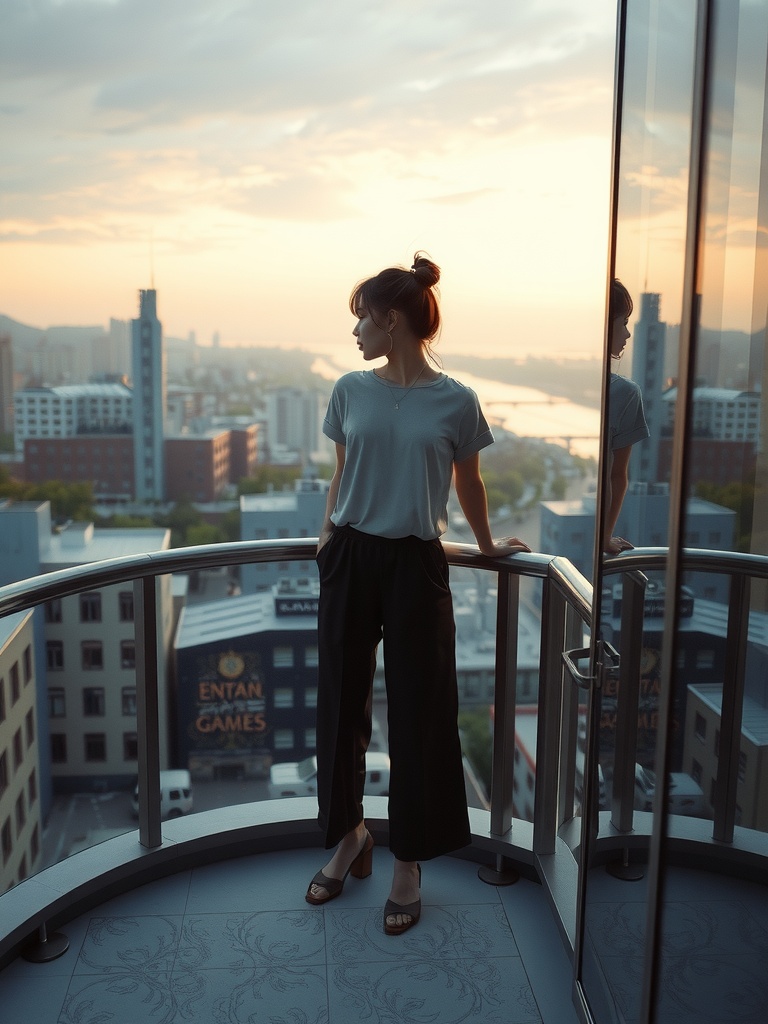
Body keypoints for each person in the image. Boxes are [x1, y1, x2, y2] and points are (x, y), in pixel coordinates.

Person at [306, 253, 530, 935]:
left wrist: (488, 545)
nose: (354, 334)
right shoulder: (349, 388)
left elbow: (469, 484)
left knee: (421, 712)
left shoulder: (457, 400)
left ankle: (408, 859)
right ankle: (350, 836)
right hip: (351, 556)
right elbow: (342, 474)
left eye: (361, 320)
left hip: (416, 564)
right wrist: (326, 537)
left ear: (392, 320)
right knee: (342, 703)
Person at [604, 279, 650, 554]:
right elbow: (617, 476)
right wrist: (605, 536)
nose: (628, 334)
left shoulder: (620, 393)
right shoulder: (623, 393)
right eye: (624, 323)